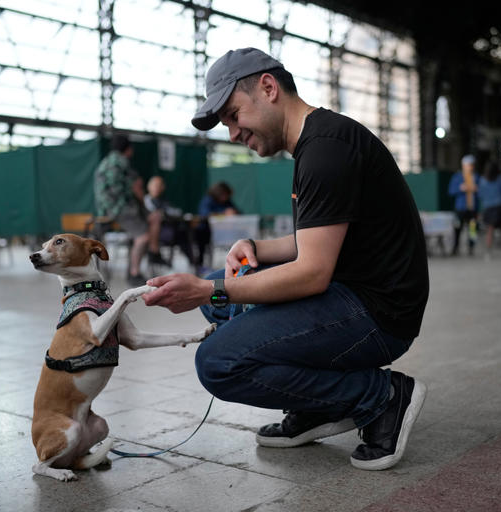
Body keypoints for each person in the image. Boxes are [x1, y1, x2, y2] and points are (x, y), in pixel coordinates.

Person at [142, 47, 429, 471]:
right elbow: (313, 241)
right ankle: (319, 405)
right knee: (216, 291)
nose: (233, 133)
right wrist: (256, 249)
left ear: (268, 88)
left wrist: (211, 289)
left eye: (234, 116)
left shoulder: (327, 149)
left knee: (218, 361)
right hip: (352, 291)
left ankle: (380, 396)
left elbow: (312, 272)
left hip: (378, 314)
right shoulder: (317, 141)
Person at [94, 135, 167, 286]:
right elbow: (136, 188)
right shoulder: (121, 162)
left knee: (154, 217)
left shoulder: (106, 161)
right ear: (128, 149)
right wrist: (143, 203)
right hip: (119, 209)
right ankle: (134, 273)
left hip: (109, 209)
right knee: (143, 236)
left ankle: (154, 252)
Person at [193, 182, 241, 272]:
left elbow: (238, 211)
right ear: (220, 194)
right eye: (225, 195)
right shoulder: (208, 200)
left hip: (224, 231)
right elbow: (205, 214)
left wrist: (233, 211)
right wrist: (223, 213)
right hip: (206, 230)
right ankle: (200, 265)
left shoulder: (227, 201)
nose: (226, 198)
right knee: (201, 236)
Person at [478, 162, 501, 256]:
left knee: (490, 229)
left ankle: (488, 251)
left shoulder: (482, 180)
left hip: (489, 207)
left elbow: (480, 194)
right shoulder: (500, 179)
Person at [448, 155, 479, 256]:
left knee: (473, 229)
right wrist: (460, 189)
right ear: (463, 165)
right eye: (468, 165)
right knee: (457, 229)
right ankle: (455, 248)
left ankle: (471, 248)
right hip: (460, 209)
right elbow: (451, 191)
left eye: (472, 165)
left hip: (472, 209)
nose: (470, 167)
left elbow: (481, 192)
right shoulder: (457, 177)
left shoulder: (476, 177)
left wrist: (477, 189)